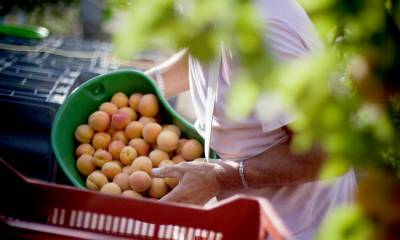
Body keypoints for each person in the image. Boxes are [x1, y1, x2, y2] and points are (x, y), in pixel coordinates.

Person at [145, 0, 357, 239]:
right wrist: (149, 84)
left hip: (297, 226)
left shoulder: (267, 31)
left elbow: (320, 153)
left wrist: (217, 176)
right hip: (250, 213)